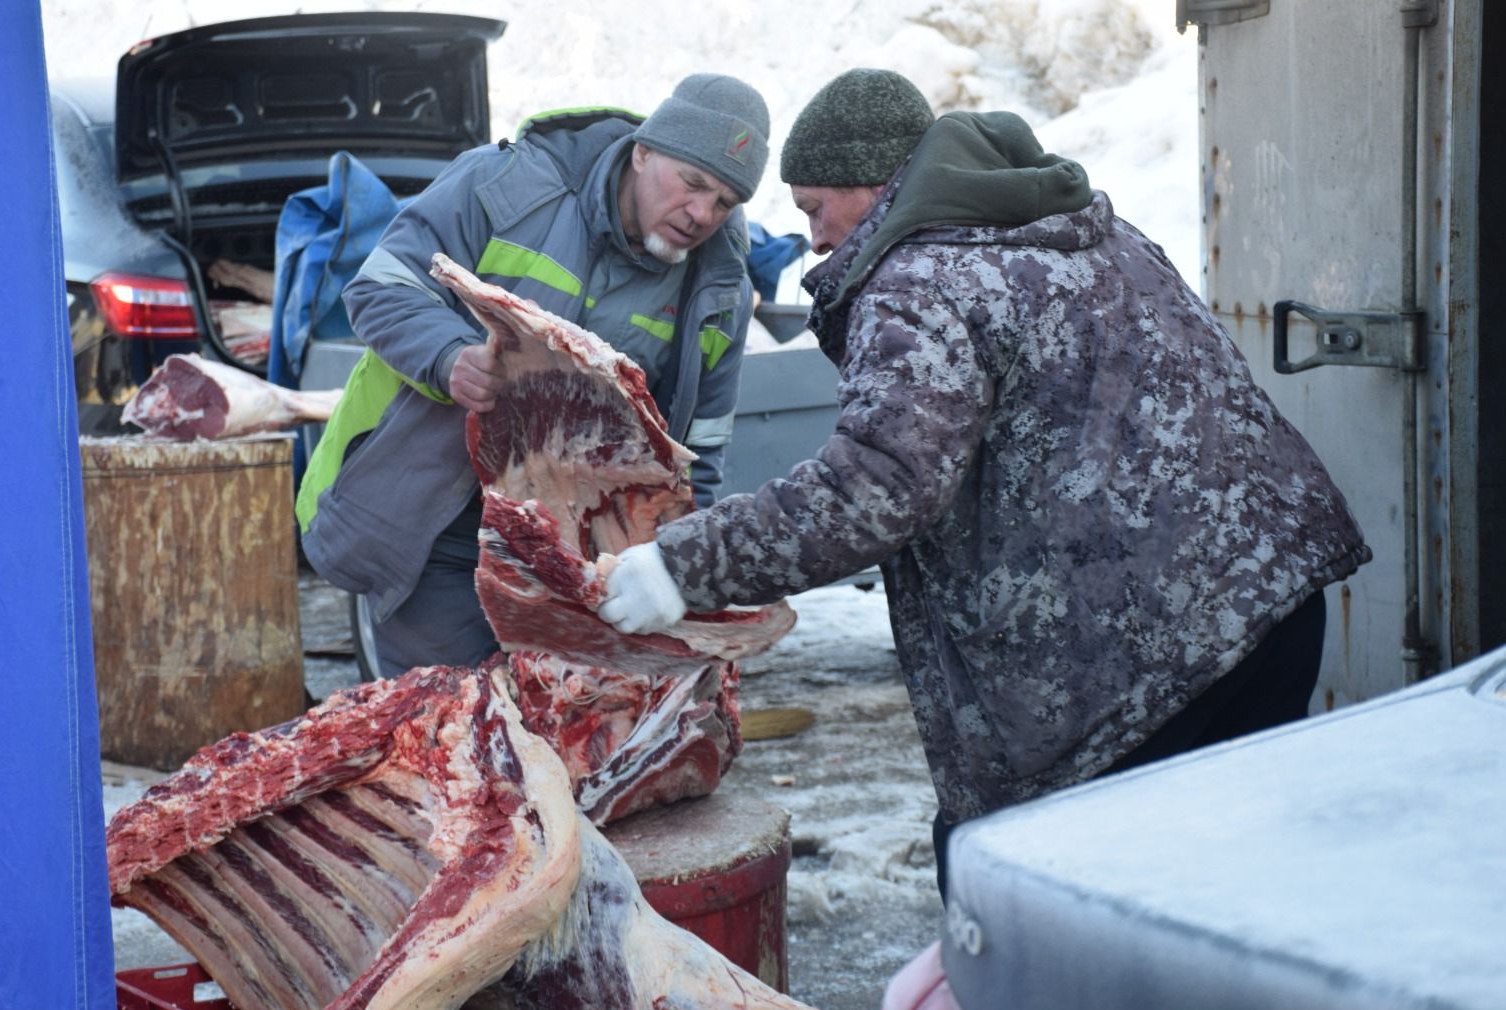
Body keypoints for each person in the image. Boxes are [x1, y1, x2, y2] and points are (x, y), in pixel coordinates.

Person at [598, 68, 1372, 896]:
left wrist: (682, 568)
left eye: (814, 209)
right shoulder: (1080, 230)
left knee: (1024, 904)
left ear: (873, 186)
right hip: (1266, 610)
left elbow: (879, 484)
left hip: (1147, 668)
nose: (815, 242)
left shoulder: (920, 277)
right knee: (1224, 907)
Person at [297, 74, 771, 676]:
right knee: (452, 728)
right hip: (432, 515)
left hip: (571, 554)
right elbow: (381, 287)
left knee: (558, 739)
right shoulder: (507, 186)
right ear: (643, 151)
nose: (702, 213)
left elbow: (697, 452)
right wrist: (449, 359)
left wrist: (678, 572)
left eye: (726, 201)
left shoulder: (722, 290)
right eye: (693, 183)